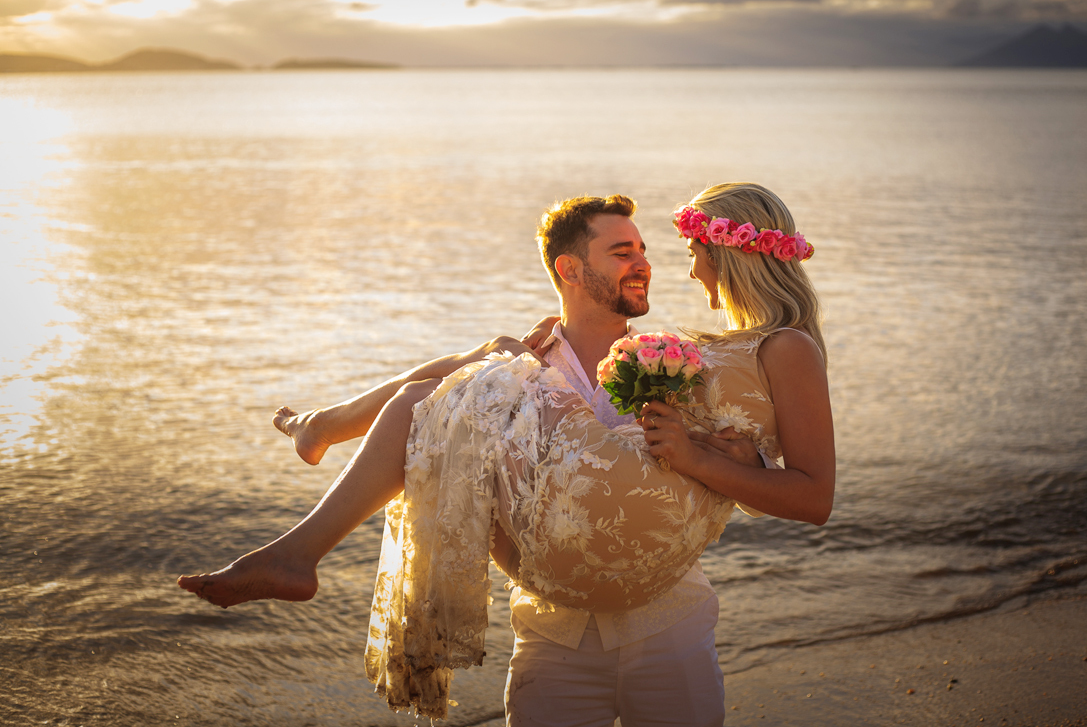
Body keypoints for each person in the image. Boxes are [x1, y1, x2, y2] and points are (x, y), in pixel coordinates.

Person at [179, 184, 835, 724]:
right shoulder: (637, 352)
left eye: (689, 252)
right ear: (569, 270)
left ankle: (314, 465)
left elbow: (799, 492)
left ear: (730, 252)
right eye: (625, 251)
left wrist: (719, 464)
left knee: (463, 383)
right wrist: (500, 363)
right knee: (471, 377)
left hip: (667, 628)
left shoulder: (739, 353)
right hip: (554, 633)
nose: (681, 268)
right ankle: (319, 440)